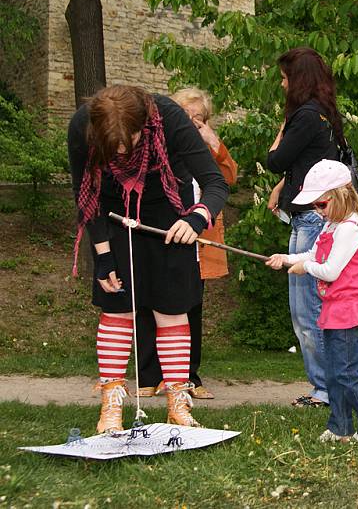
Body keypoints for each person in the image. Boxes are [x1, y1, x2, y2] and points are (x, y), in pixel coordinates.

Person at [68, 85, 229, 432]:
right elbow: (86, 198)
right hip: (113, 213)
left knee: (171, 308)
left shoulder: (170, 118)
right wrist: (103, 256)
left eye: (128, 142)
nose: (122, 152)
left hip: (169, 209)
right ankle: (111, 405)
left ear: (145, 125)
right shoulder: (82, 125)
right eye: (113, 148)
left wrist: (197, 217)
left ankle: (178, 402)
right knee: (116, 306)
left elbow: (216, 183)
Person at [266, 160, 358, 442]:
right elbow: (313, 255)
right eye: (315, 207)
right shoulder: (332, 225)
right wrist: (286, 259)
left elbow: (329, 269)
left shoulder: (350, 229)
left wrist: (304, 268)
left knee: (349, 372)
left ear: (342, 196)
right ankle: (339, 427)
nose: (318, 212)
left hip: (350, 309)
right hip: (334, 308)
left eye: (321, 205)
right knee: (333, 373)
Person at [135, 88, 238, 400]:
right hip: (159, 232)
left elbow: (229, 178)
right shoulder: (159, 146)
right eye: (186, 116)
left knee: (191, 305)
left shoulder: (204, 150)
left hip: (196, 240)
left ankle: (189, 376)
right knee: (149, 303)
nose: (192, 123)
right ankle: (149, 375)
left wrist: (214, 142)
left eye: (199, 118)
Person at [266, 47, 342, 408]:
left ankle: (326, 389)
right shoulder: (326, 114)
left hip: (310, 219)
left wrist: (282, 130)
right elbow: (314, 163)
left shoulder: (306, 116)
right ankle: (324, 386)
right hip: (309, 215)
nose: (281, 85)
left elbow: (275, 159)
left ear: (297, 80)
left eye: (284, 78)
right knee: (305, 311)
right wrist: (284, 184)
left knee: (308, 310)